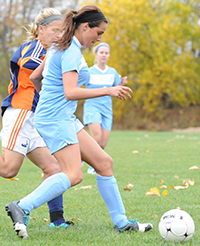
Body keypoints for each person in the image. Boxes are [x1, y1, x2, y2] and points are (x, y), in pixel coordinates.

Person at [5, 5, 153, 239]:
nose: (99, 38)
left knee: (104, 163)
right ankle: (21, 207)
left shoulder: (59, 45)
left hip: (62, 117)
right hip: (56, 119)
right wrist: (108, 90)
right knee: (74, 175)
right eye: (99, 33)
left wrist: (47, 101)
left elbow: (35, 77)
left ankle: (122, 222)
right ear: (85, 27)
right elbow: (71, 92)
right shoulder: (70, 51)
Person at [1, 8, 73, 233]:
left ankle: (57, 219)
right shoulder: (35, 47)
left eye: (62, 32)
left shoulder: (54, 51)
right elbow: (30, 65)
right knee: (8, 169)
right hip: (21, 113)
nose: (59, 36)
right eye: (55, 31)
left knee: (54, 168)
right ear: (40, 30)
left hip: (38, 119)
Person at [83, 42, 128, 174]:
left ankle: (83, 156)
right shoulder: (88, 72)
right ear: (96, 55)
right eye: (101, 52)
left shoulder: (113, 72)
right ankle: (93, 166)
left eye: (106, 53)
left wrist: (121, 84)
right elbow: (76, 85)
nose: (104, 55)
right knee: (96, 138)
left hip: (107, 109)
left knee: (103, 143)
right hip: (92, 106)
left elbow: (115, 89)